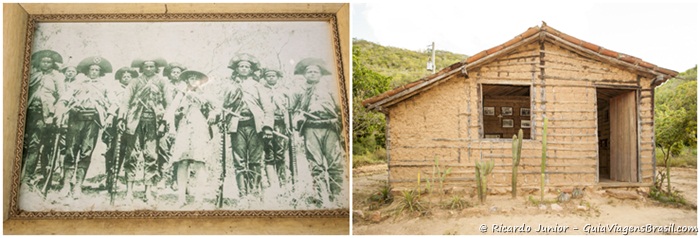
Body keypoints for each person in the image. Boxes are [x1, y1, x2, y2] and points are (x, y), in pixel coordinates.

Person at [55, 56, 116, 198]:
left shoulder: (104, 86)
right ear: (87, 71)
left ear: (100, 72)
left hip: (92, 122)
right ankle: (66, 185)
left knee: (86, 152)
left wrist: (110, 115)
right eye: (91, 69)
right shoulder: (77, 84)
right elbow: (65, 98)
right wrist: (60, 110)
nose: (94, 72)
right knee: (70, 151)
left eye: (97, 70)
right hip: (75, 120)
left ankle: (78, 186)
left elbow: (114, 102)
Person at [291, 58, 344, 206]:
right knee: (315, 165)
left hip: (330, 128)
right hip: (310, 128)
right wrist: (297, 119)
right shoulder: (298, 92)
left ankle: (337, 196)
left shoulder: (331, 89)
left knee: (334, 163)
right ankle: (321, 197)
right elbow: (290, 109)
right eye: (309, 72)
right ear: (304, 75)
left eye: (315, 71)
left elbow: (341, 110)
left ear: (321, 74)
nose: (312, 74)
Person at [119, 57, 171, 203]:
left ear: (156, 68)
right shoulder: (134, 82)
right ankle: (129, 191)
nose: (149, 68)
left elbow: (169, 103)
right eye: (146, 66)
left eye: (151, 66)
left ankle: (148, 191)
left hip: (154, 123)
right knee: (132, 156)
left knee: (151, 156)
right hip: (135, 122)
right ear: (141, 68)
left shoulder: (162, 82)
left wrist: (164, 122)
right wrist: (121, 119)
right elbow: (125, 101)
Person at [224, 53, 274, 198]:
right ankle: (242, 195)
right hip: (237, 126)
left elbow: (268, 108)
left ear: (251, 70)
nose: (244, 69)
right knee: (239, 161)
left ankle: (254, 193)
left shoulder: (258, 86)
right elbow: (224, 105)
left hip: (255, 126)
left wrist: (268, 127)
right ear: (237, 69)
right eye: (241, 66)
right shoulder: (230, 86)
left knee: (255, 160)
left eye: (247, 67)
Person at [164, 70, 217, 206]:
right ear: (186, 80)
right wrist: (171, 128)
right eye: (190, 78)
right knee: (182, 162)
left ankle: (199, 198)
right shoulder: (181, 93)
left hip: (200, 126)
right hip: (184, 127)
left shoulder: (205, 94)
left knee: (200, 162)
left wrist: (212, 114)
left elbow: (218, 107)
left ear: (200, 81)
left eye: (196, 78)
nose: (193, 81)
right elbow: (170, 111)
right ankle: (181, 198)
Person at [22, 50, 65, 189]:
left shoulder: (56, 77)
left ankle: (44, 179)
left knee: (46, 146)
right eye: (43, 61)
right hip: (31, 114)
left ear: (52, 64)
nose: (46, 64)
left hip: (47, 116)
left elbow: (62, 97)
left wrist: (58, 115)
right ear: (39, 63)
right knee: (31, 146)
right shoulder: (32, 75)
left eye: (49, 62)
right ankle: (26, 178)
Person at [102, 67, 137, 197]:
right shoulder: (114, 90)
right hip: (117, 121)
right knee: (114, 149)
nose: (127, 78)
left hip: (132, 122)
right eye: (124, 76)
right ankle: (111, 177)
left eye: (129, 76)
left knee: (128, 150)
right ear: (120, 78)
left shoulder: (136, 90)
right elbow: (112, 103)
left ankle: (124, 177)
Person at [260, 68, 291, 192]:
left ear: (277, 77)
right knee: (268, 153)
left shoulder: (284, 91)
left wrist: (288, 124)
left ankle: (283, 183)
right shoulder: (261, 90)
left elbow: (288, 109)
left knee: (280, 153)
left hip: (280, 123)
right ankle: (272, 184)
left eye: (273, 76)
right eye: (268, 76)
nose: (271, 78)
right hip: (266, 125)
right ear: (265, 78)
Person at [159, 62, 188, 191]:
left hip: (181, 119)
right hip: (166, 119)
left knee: (179, 149)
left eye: (178, 72)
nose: (176, 74)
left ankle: (176, 180)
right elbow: (160, 101)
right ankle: (163, 177)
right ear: (169, 74)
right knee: (163, 148)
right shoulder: (165, 85)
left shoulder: (186, 87)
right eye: (173, 72)